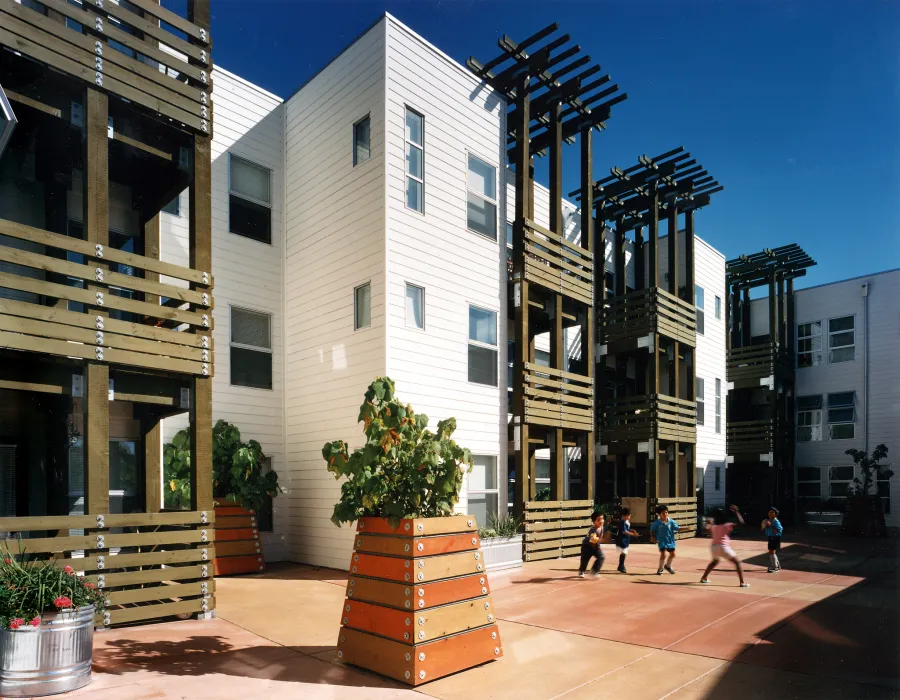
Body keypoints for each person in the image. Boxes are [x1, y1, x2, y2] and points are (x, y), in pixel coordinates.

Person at [700, 504, 749, 587]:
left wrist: (708, 523)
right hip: (723, 547)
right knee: (737, 563)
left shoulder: (714, 526)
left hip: (714, 547)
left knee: (715, 561)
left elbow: (706, 529)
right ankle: (742, 582)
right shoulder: (727, 525)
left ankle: (704, 578)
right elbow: (741, 523)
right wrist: (737, 512)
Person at [650, 505, 679, 575]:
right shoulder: (656, 523)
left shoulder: (671, 521)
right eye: (663, 513)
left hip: (670, 541)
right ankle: (660, 568)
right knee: (663, 555)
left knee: (673, 555)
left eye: (666, 512)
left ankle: (668, 566)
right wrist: (652, 538)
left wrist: (686, 528)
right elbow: (652, 531)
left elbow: (677, 528)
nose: (665, 514)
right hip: (661, 541)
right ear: (659, 514)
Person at [578, 513, 608, 578]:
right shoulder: (593, 529)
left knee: (601, 557)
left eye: (602, 519)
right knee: (585, 560)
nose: (601, 521)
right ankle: (581, 570)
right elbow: (592, 539)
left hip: (596, 546)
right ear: (594, 522)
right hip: (587, 546)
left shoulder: (602, 527)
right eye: (599, 520)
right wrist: (601, 540)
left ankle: (594, 571)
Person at [614, 507, 638, 573]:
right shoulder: (622, 522)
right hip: (622, 539)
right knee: (624, 552)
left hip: (625, 539)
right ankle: (621, 566)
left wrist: (632, 530)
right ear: (624, 515)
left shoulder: (626, 522)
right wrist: (633, 534)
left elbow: (627, 529)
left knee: (624, 552)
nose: (630, 517)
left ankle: (621, 566)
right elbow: (624, 531)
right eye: (629, 515)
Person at [761, 507, 783, 573]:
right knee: (771, 552)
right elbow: (762, 529)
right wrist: (763, 526)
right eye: (769, 512)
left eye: (772, 512)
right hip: (770, 537)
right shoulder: (768, 520)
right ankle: (776, 565)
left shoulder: (776, 522)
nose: (770, 513)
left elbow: (778, 531)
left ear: (775, 514)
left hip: (775, 538)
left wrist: (770, 526)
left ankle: (775, 567)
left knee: (772, 552)